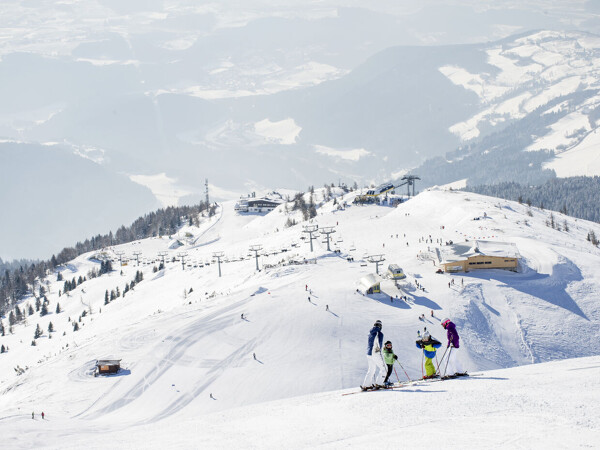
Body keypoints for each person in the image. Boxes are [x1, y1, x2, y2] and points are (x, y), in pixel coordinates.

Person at [361, 320, 386, 390]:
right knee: (384, 369)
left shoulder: (370, 333)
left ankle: (366, 385)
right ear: (380, 326)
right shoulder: (379, 333)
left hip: (369, 353)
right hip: (375, 353)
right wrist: (378, 351)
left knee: (371, 369)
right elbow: (378, 343)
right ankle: (379, 383)